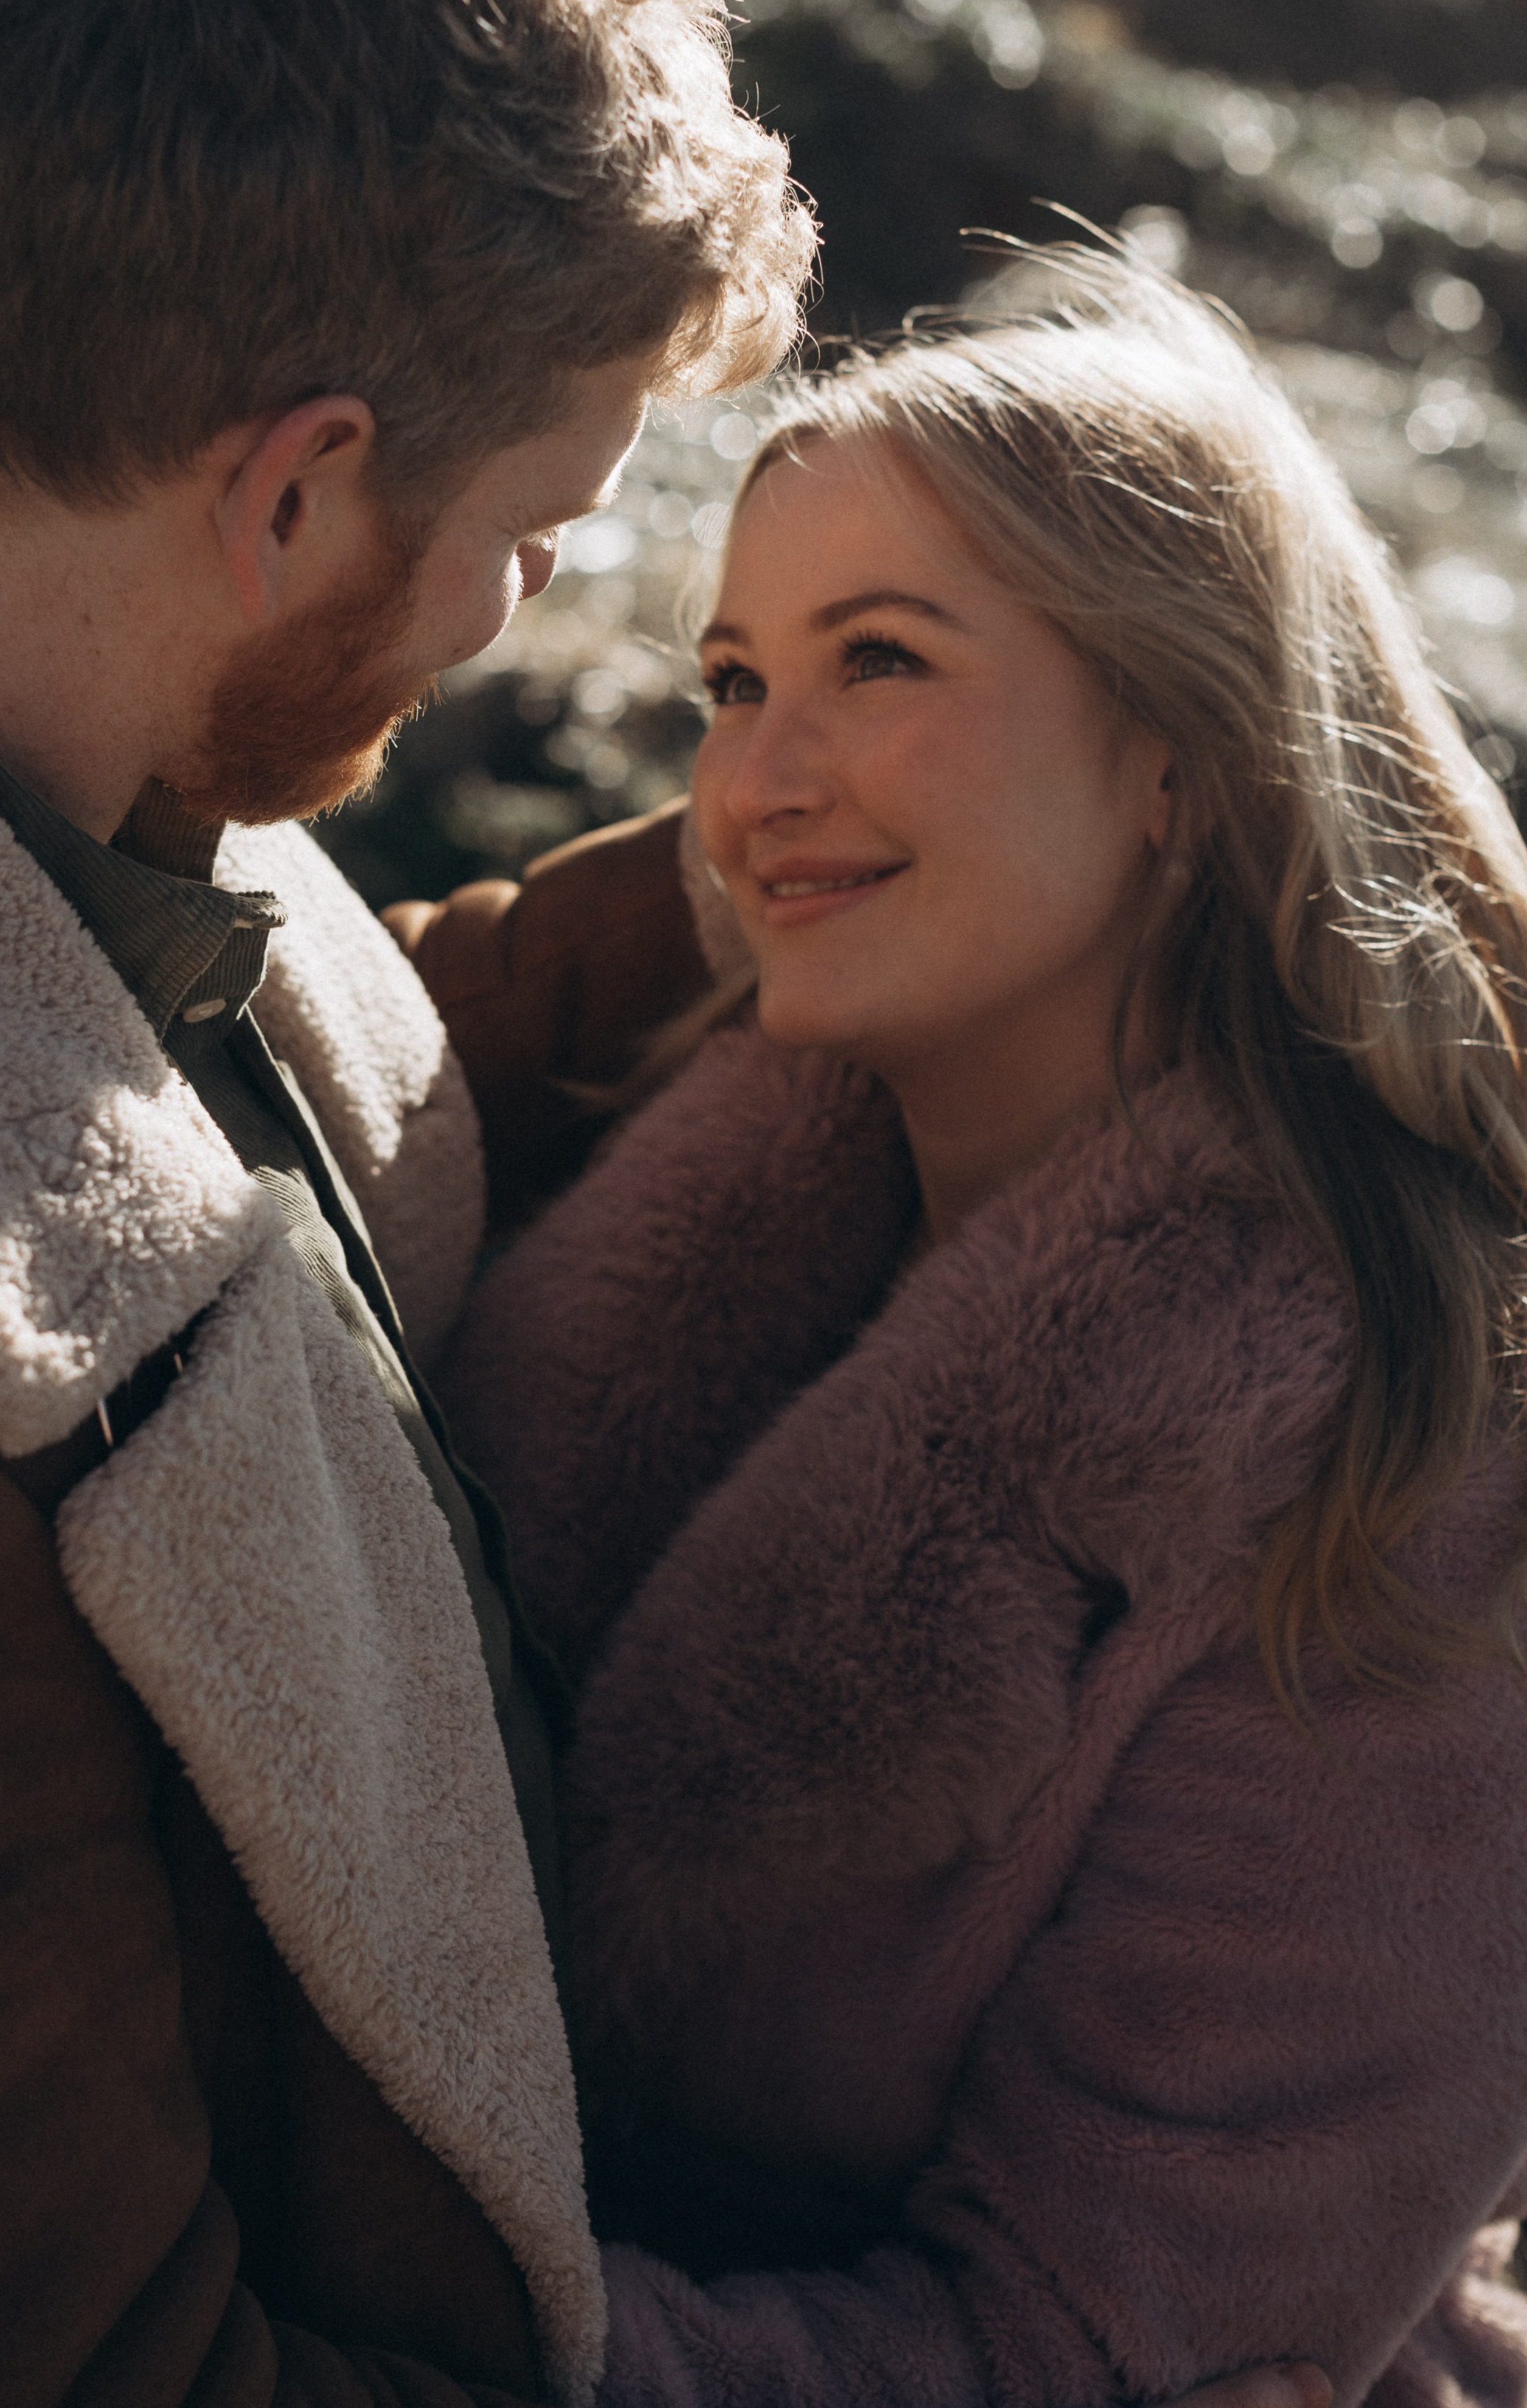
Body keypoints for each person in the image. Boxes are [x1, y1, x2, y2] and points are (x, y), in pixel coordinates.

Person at [0, 0, 807, 2407]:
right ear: (294, 493)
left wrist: (875, 864)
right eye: (530, 543)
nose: (519, 622)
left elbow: (192, 1064)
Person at [434, 250, 1527, 2408]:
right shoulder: (634, 1174)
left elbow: (1090, 2354)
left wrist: (323, 2337)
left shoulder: (1411, 1475)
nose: (753, 789)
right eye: (733, 686)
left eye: (880, 662)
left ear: (1185, 763)